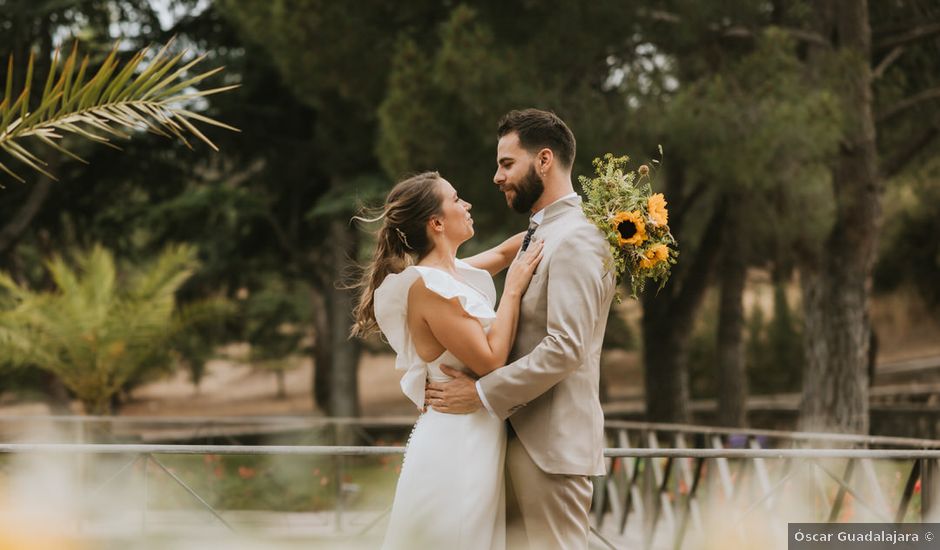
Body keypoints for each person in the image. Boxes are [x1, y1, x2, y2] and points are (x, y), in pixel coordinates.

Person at [425, 108, 617, 549]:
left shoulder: (579, 238)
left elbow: (566, 348)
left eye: (507, 163)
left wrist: (480, 394)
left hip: (549, 449)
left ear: (544, 160)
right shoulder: (538, 233)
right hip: (509, 440)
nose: (496, 176)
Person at [351, 170, 544, 549]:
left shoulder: (455, 273)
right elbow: (490, 360)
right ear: (436, 223)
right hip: (457, 444)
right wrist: (513, 290)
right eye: (456, 199)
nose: (467, 204)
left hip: (476, 434)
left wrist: (582, 225)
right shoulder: (427, 287)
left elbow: (510, 251)